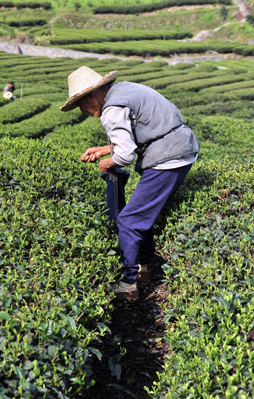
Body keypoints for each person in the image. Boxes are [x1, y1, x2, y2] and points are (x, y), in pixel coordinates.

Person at [60, 66, 199, 301]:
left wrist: (106, 163)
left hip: (168, 157)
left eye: (81, 105)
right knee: (141, 217)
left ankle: (128, 282)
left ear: (91, 96)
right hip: (180, 146)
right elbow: (144, 130)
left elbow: (125, 156)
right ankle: (143, 268)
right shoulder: (124, 90)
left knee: (129, 220)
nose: (83, 111)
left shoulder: (111, 109)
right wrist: (105, 149)